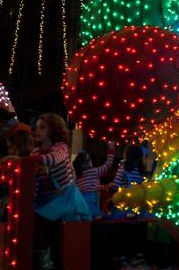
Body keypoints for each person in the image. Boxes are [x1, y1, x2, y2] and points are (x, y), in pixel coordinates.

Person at [31, 114, 91, 269]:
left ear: (53, 130)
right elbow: (36, 183)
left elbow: (51, 160)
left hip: (65, 199)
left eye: (42, 127)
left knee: (62, 239)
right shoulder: (36, 152)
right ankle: (43, 260)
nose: (37, 130)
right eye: (36, 127)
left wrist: (28, 160)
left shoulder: (61, 148)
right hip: (47, 202)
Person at [73, 141, 115, 217]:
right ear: (88, 163)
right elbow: (108, 165)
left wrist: (105, 186)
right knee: (102, 217)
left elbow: (91, 186)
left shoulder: (78, 176)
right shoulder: (93, 171)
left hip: (80, 203)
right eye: (90, 159)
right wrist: (111, 150)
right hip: (89, 204)